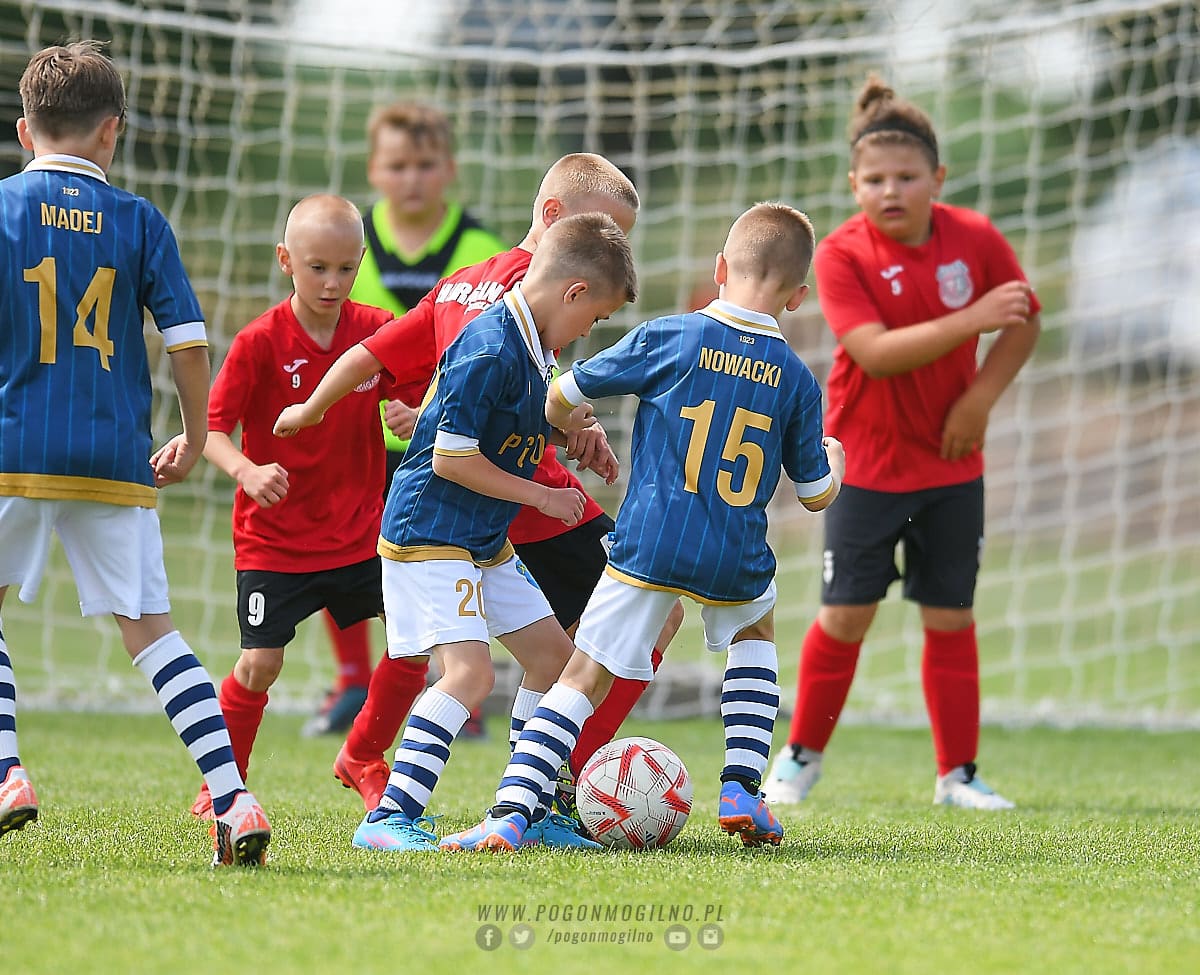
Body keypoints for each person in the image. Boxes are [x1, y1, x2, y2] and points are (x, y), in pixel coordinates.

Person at [279, 152, 681, 818]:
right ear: (555, 218)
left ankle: (400, 761)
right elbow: (475, 410)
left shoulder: (468, 282)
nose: (611, 247)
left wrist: (322, 407)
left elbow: (385, 357)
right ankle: (569, 782)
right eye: (602, 230)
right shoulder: (531, 296)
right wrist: (551, 441)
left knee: (454, 647)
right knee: (644, 613)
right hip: (512, 494)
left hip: (490, 507)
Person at [440, 202, 844, 853]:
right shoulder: (796, 379)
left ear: (720, 268)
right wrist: (835, 459)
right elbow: (817, 494)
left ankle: (511, 812)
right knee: (756, 634)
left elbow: (562, 395)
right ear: (798, 296)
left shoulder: (670, 336)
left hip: (651, 542)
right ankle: (743, 786)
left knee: (582, 675)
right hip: (734, 552)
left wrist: (572, 425)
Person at [0, 41, 269, 865]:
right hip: (115, 457)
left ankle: (8, 772)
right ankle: (234, 798)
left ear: (24, 131)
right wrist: (195, 434)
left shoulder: (3, 208)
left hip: (12, 446)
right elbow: (187, 344)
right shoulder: (141, 220)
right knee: (153, 631)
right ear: (112, 131)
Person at [762, 74, 1041, 811]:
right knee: (846, 615)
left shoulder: (975, 237)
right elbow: (876, 353)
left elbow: (1024, 319)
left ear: (937, 179)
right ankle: (800, 757)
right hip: (865, 466)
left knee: (950, 614)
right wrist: (972, 318)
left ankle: (959, 774)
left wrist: (979, 400)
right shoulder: (842, 254)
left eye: (908, 177)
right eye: (876, 179)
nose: (892, 190)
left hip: (951, 464)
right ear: (854, 185)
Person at [179, 194, 415, 820]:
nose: (333, 282)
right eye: (317, 268)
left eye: (346, 268)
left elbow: (428, 390)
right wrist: (247, 470)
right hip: (275, 542)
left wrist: (412, 412)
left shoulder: (378, 329)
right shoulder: (259, 342)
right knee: (260, 664)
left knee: (416, 643)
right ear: (286, 260)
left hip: (362, 534)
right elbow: (211, 431)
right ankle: (223, 780)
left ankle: (364, 755)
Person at [303, 101, 507, 739]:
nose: (411, 178)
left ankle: (456, 686)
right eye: (397, 166)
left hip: (449, 443)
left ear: (449, 168)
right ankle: (351, 683)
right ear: (374, 169)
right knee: (342, 555)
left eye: (425, 164)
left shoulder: (484, 253)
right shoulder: (344, 248)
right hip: (358, 438)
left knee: (451, 560)